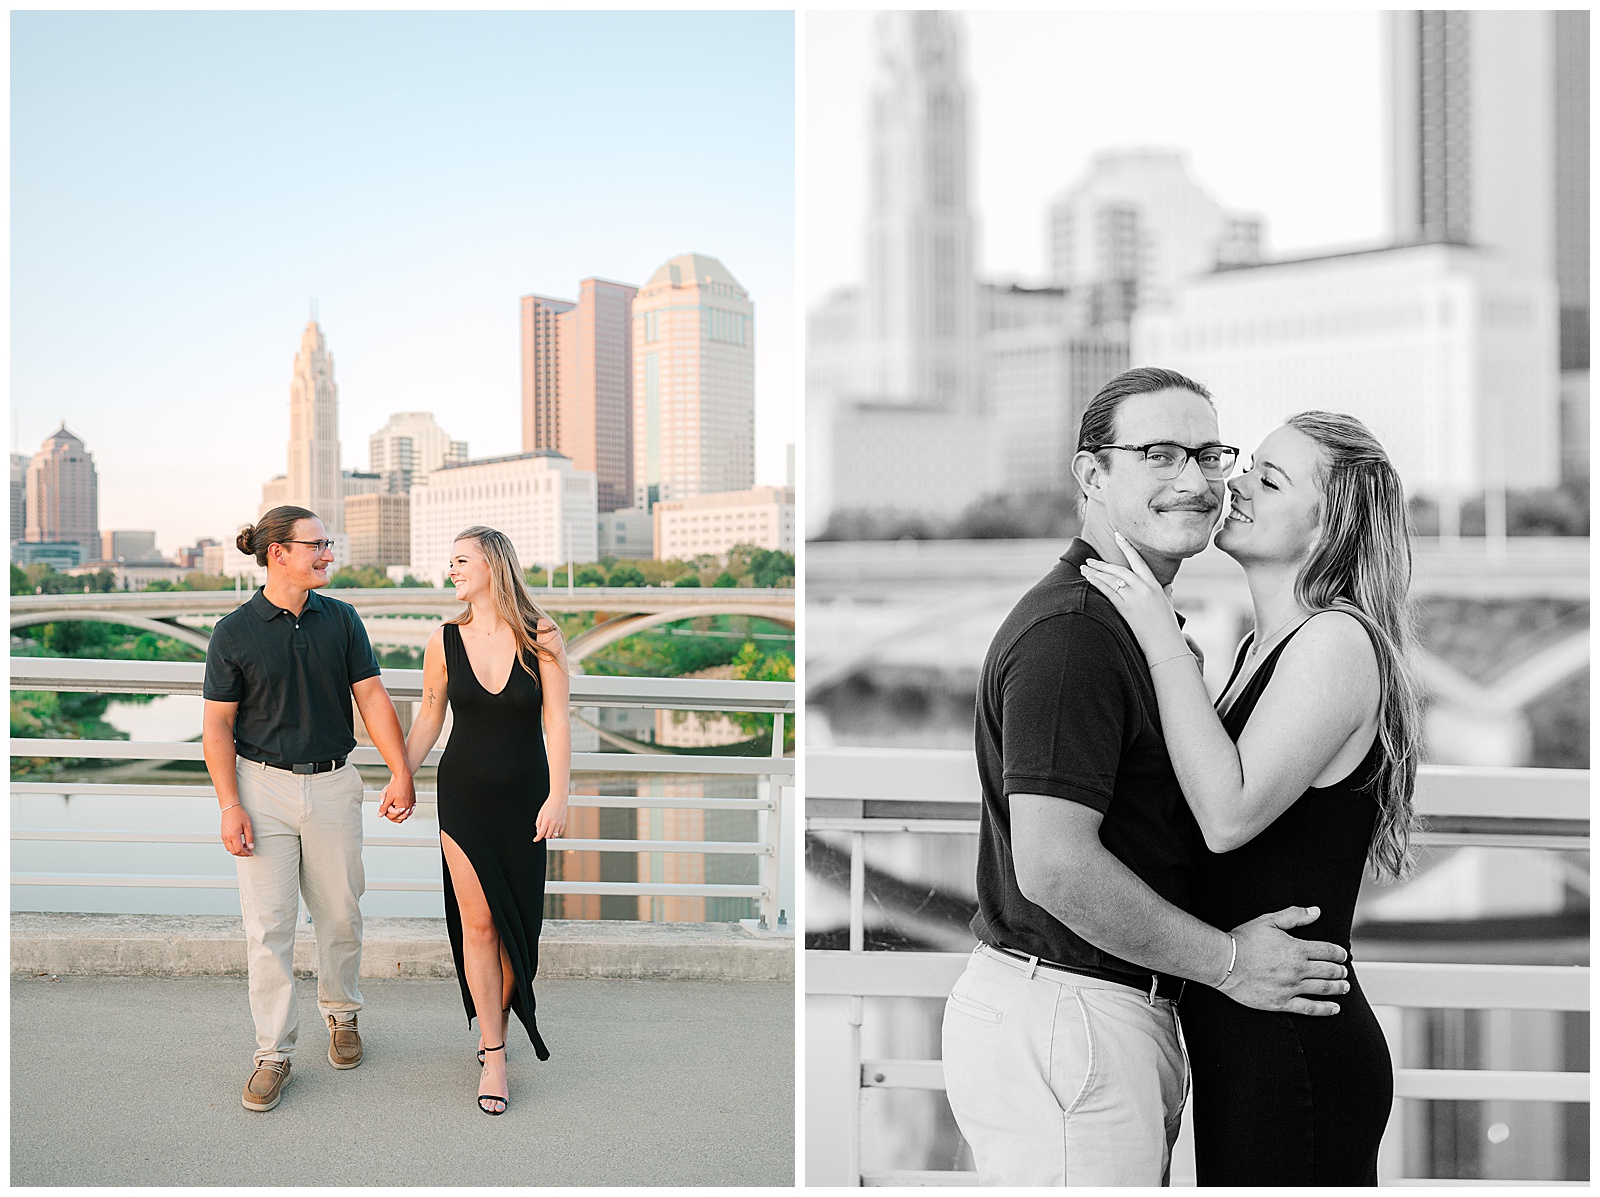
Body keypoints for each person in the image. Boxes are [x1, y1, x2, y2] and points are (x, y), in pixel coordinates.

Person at [941, 368, 1353, 1186]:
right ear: (1092, 474)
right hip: (1072, 1018)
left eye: (1209, 454)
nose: (1196, 481)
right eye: (1159, 454)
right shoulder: (1075, 636)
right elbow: (1054, 864)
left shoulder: (1136, 629)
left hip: (1098, 1020)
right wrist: (1230, 961)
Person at [1079, 410, 1421, 1185]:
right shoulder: (1251, 650)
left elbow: (1227, 817)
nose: (1233, 485)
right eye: (1248, 467)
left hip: (1295, 1044)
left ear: (1327, 523)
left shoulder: (1335, 641)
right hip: (1244, 1024)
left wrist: (1153, 631)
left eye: (1268, 479)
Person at [203, 506, 417, 1113]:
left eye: (328, 543)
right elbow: (216, 726)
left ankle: (343, 1015)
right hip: (260, 788)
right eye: (317, 545)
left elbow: (371, 697)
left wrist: (400, 771)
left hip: (333, 784)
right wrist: (229, 805)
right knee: (267, 928)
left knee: (341, 915)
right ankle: (273, 1052)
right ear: (279, 553)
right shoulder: (234, 631)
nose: (328, 554)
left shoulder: (342, 619)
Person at [398, 525, 570, 1115]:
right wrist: (402, 775)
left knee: (518, 933)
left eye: (460, 560)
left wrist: (560, 796)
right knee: (479, 924)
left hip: (527, 801)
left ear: (493, 564)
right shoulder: (443, 639)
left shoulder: (541, 636)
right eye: (450, 562)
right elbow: (427, 717)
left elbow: (558, 724)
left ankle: (496, 1017)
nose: (451, 570)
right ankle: (493, 1052)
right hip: (463, 799)